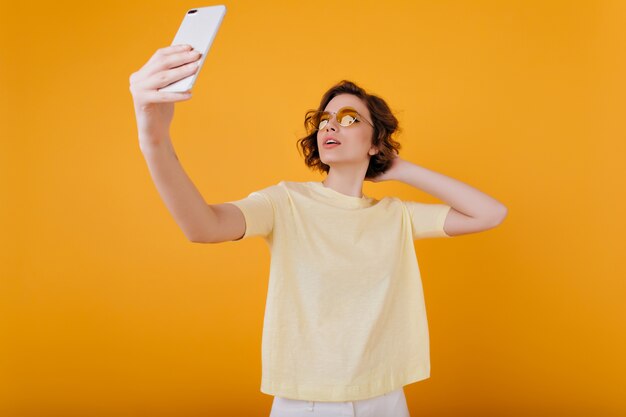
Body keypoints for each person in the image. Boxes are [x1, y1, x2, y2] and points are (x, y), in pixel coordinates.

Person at [129, 44, 508, 417]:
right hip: (311, 404)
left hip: (387, 398)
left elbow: (490, 214)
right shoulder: (285, 203)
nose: (330, 125)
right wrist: (154, 138)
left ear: (376, 142)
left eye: (349, 118)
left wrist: (400, 168)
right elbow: (203, 226)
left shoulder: (396, 216)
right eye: (324, 119)